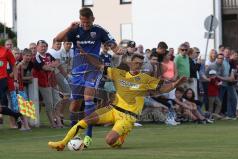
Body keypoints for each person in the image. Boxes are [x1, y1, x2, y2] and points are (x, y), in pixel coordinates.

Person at [48, 53, 186, 150]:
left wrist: (175, 84)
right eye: (136, 62)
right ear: (131, 62)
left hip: (127, 117)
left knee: (110, 141)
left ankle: (121, 138)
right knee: (85, 121)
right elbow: (100, 66)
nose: (138, 65)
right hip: (112, 109)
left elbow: (162, 89)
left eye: (140, 63)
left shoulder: (145, 78)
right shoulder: (118, 73)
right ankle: (62, 143)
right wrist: (85, 54)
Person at [53, 7, 125, 147]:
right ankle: (74, 133)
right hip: (77, 71)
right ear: (80, 20)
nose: (85, 25)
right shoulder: (75, 30)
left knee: (88, 98)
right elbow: (58, 39)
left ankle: (89, 135)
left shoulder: (99, 31)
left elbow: (113, 45)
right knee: (75, 104)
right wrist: (69, 28)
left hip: (94, 69)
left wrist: (118, 50)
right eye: (83, 22)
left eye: (87, 22)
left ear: (93, 19)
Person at [0, 46, 22, 128]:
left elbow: (14, 65)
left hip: (2, 80)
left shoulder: (5, 51)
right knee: (2, 106)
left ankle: (15, 115)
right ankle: (16, 115)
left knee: (3, 104)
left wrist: (16, 80)